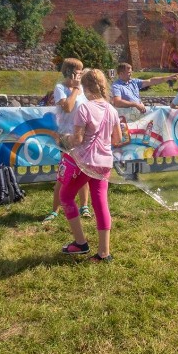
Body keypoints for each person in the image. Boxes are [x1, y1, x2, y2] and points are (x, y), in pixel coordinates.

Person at [58, 68, 123, 263]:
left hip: (85, 162)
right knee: (100, 203)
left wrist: (65, 138)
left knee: (66, 196)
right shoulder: (112, 109)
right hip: (104, 163)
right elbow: (117, 139)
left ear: (85, 88)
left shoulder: (84, 108)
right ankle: (104, 253)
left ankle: (80, 243)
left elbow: (77, 140)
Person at [43, 58, 91, 224]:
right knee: (64, 176)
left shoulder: (82, 88)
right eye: (79, 72)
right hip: (66, 137)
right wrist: (76, 90)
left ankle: (84, 206)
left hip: (81, 136)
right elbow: (68, 107)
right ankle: (55, 210)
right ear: (71, 73)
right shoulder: (60, 88)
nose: (81, 74)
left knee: (83, 171)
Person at [111, 63, 177, 114]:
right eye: (129, 73)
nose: (131, 74)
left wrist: (167, 78)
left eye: (131, 72)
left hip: (138, 114)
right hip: (127, 117)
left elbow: (151, 81)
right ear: (121, 74)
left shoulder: (134, 81)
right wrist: (135, 104)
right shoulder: (116, 86)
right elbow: (117, 102)